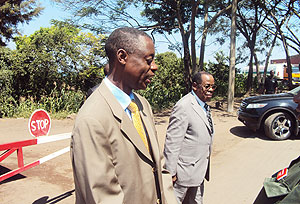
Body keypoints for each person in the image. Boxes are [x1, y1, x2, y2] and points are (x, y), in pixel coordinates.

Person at [71, 27, 176, 204]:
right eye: (148, 60)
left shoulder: (142, 105)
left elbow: (157, 164)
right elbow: (102, 197)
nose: (155, 67)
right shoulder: (92, 119)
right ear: (122, 57)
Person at [163, 71, 216, 204]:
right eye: (207, 86)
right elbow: (172, 142)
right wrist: (170, 172)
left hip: (199, 170)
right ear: (195, 86)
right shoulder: (184, 106)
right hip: (183, 173)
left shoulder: (203, 105)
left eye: (213, 87)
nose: (211, 90)